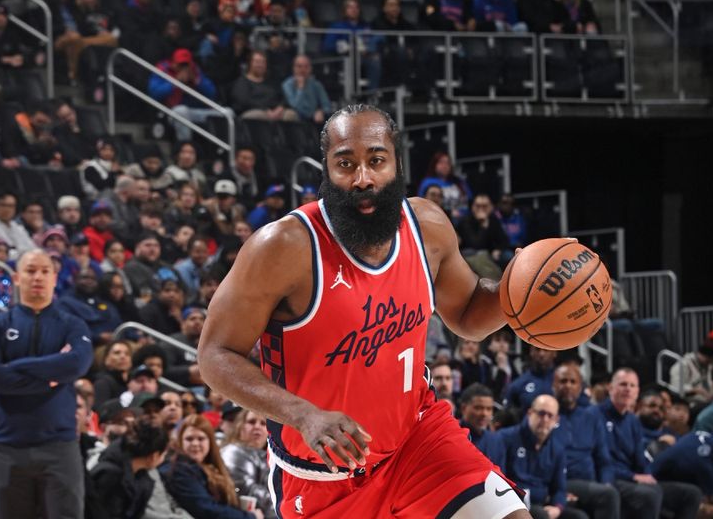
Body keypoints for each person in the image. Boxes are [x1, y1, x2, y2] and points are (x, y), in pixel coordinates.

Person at [198, 104, 530, 517]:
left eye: (376, 160)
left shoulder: (427, 226)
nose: (362, 178)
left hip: (418, 440)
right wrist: (303, 415)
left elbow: (466, 317)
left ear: (396, 163)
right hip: (321, 474)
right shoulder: (282, 247)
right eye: (345, 164)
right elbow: (214, 355)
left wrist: (517, 292)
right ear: (326, 171)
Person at [0, 249, 94, 518]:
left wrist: (15, 368)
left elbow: (77, 364)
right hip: (5, 448)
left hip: (60, 447)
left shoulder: (72, 324)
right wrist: (51, 376)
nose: (37, 277)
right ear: (16, 278)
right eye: (30, 271)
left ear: (54, 277)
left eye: (44, 271)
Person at [598, 367, 702, 519]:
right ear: (611, 388)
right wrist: (633, 477)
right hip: (613, 478)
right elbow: (601, 461)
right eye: (623, 384)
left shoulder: (632, 421)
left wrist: (647, 474)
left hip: (633, 479)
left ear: (637, 392)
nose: (628, 389)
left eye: (632, 386)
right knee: (650, 494)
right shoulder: (596, 415)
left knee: (691, 493)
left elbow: (640, 458)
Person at [499, 395, 586, 519]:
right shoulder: (506, 438)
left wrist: (557, 507)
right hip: (513, 505)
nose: (545, 419)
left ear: (557, 420)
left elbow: (559, 488)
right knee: (541, 515)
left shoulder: (557, 449)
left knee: (579, 517)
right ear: (530, 413)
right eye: (541, 413)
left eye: (550, 416)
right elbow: (500, 480)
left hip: (541, 505)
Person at [160, 414, 263, 518]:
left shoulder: (214, 467)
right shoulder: (179, 469)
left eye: (201, 439)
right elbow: (204, 509)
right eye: (189, 439)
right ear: (180, 442)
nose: (195, 443)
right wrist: (249, 517)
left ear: (210, 442)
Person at [553, 363, 620, 519]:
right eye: (563, 381)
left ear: (580, 387)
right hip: (563, 482)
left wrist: (606, 484)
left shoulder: (591, 417)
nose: (568, 386)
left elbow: (604, 460)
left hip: (589, 483)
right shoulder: (546, 415)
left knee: (610, 493)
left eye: (572, 381)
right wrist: (558, 491)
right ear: (553, 384)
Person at [650, 431, 713, 519]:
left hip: (660, 476)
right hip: (655, 486)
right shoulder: (709, 468)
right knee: (712, 510)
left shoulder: (708, 437)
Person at [90, 418, 170, 518]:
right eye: (164, 455)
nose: (163, 459)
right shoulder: (109, 475)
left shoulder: (141, 478)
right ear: (154, 456)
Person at [221, 409, 276, 518]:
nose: (257, 426)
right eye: (251, 422)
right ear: (239, 427)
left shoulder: (270, 456)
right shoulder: (233, 451)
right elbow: (247, 490)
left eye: (263, 423)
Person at [417, 151, 473, 223]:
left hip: (465, 220)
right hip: (439, 219)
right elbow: (422, 205)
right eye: (441, 162)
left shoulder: (459, 182)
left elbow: (471, 201)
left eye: (447, 163)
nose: (445, 165)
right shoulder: (427, 182)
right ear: (434, 165)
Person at [459, 383, 506, 467]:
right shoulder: (451, 435)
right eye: (478, 408)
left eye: (489, 409)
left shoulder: (496, 441)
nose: (484, 413)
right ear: (463, 408)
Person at [669, 330, 713, 403]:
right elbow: (675, 387)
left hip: (707, 402)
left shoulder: (709, 366)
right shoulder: (683, 365)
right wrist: (696, 390)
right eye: (710, 360)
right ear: (706, 356)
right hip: (689, 403)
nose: (711, 363)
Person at [281, 55, 333, 124]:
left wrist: (321, 111)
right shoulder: (287, 84)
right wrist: (300, 88)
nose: (303, 70)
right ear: (294, 68)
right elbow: (294, 106)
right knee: (289, 114)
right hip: (296, 119)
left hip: (314, 118)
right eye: (299, 66)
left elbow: (327, 105)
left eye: (306, 67)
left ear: (310, 69)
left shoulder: (316, 84)